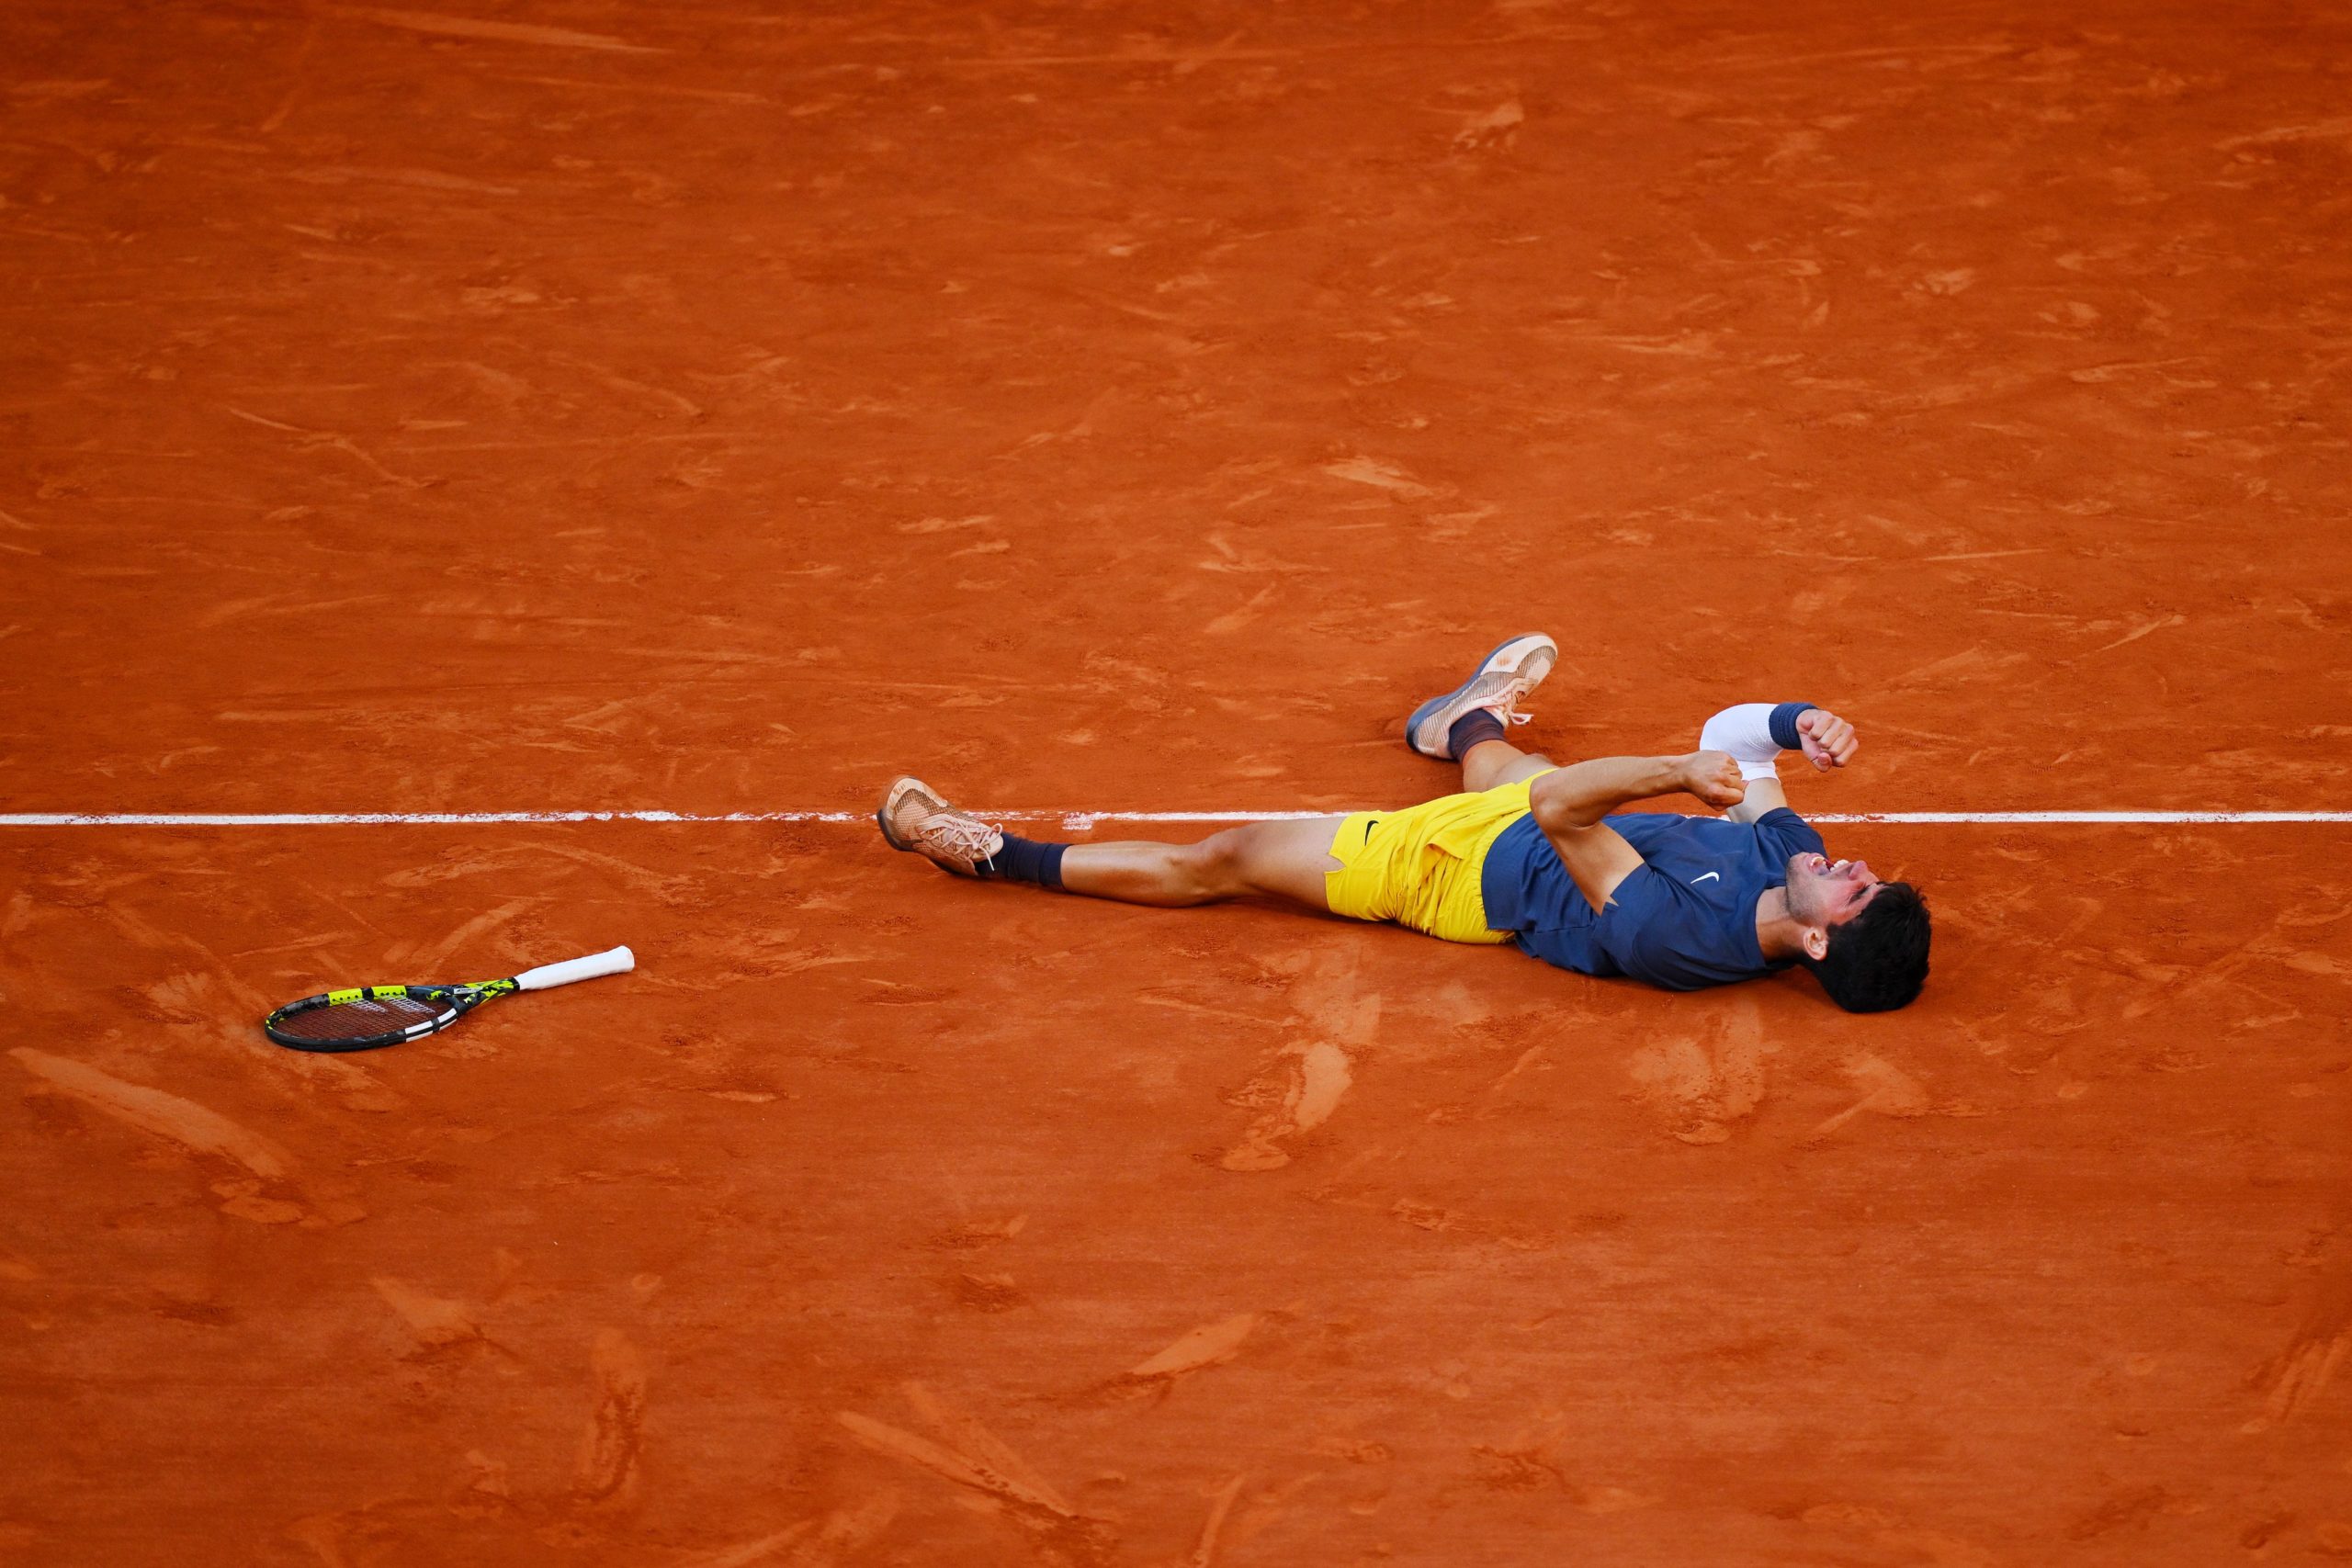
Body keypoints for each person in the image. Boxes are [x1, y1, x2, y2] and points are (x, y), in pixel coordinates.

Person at [877, 635, 1931, 1011]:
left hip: (1453, 879)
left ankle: (992, 856)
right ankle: (1459, 717)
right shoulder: (1791, 857)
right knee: (1502, 759)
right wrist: (1798, 723)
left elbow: (1564, 810)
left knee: (1230, 859)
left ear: (1819, 937)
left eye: (1857, 889)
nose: (1854, 862)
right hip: (1526, 816)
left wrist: (1669, 770)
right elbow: (1735, 740)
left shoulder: (1678, 940)